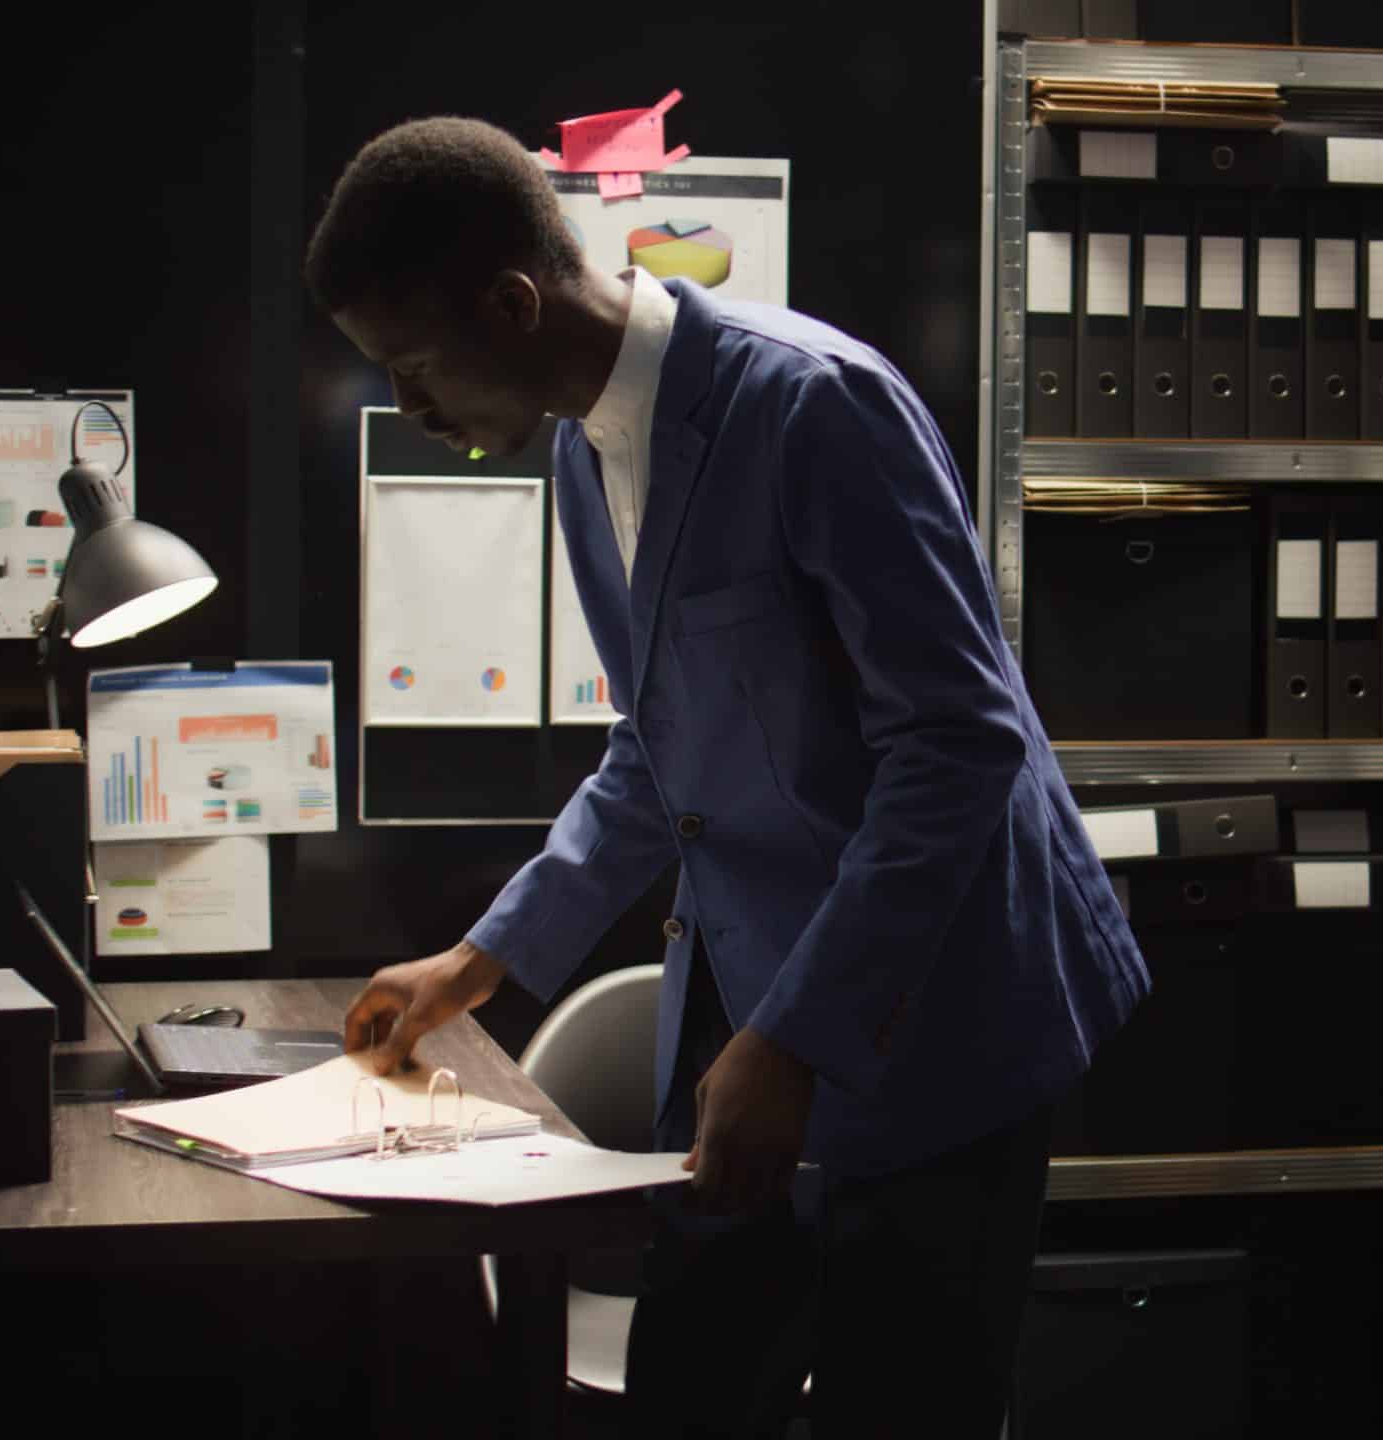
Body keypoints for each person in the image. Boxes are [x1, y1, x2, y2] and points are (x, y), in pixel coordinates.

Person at [309, 117, 1147, 1438]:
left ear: (513, 305)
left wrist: (797, 1036)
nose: (407, 411)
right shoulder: (588, 455)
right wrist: (483, 960)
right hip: (751, 1001)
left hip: (937, 1011)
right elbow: (658, 752)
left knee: (903, 1405)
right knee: (696, 1386)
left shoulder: (812, 404)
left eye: (411, 368)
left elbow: (960, 742)